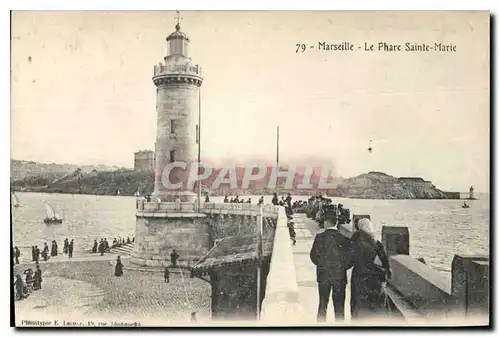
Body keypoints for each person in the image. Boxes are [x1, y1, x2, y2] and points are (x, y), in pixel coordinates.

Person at [309, 210, 352, 322]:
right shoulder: (344, 239)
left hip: (323, 275)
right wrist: (342, 267)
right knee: (339, 308)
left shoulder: (319, 237)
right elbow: (350, 259)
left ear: (327, 223)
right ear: (336, 223)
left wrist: (322, 265)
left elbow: (313, 256)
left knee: (322, 306)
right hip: (339, 277)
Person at [348, 218, 391, 320]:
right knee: (377, 308)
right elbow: (386, 262)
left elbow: (350, 259)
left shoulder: (356, 239)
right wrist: (386, 274)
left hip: (359, 278)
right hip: (375, 279)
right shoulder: (376, 242)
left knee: (357, 307)